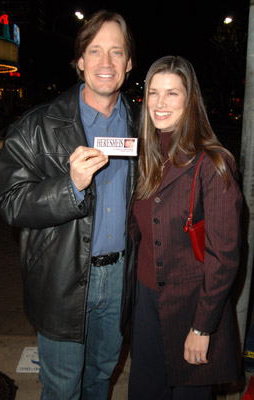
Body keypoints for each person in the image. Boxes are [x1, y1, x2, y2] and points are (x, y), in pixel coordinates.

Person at [0, 10, 137, 400]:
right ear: (79, 61)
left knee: (99, 380)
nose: (105, 63)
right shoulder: (37, 126)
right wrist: (70, 186)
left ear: (129, 62)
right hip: (62, 280)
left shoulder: (143, 125)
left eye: (116, 52)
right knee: (61, 388)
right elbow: (11, 203)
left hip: (121, 279)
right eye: (94, 51)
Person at [128, 55, 243, 400]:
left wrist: (202, 327)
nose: (160, 104)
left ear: (190, 100)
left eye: (172, 94)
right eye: (154, 92)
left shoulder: (213, 163)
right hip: (146, 303)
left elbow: (224, 257)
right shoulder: (146, 156)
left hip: (192, 305)